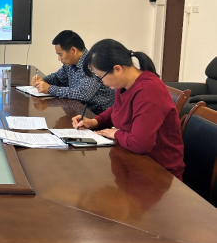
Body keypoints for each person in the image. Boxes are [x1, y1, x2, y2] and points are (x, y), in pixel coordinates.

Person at [72, 39, 185, 180]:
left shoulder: (148, 90)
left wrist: (116, 133)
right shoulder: (125, 85)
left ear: (118, 69)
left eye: (101, 77)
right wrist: (94, 122)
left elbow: (140, 143)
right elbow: (117, 109)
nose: (102, 82)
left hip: (159, 172)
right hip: (133, 161)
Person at [33, 30, 115, 114]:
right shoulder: (70, 64)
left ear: (73, 50)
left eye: (60, 54)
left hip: (97, 114)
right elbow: (58, 77)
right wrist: (42, 80)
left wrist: (50, 89)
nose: (59, 59)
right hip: (78, 109)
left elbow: (83, 94)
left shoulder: (91, 64)